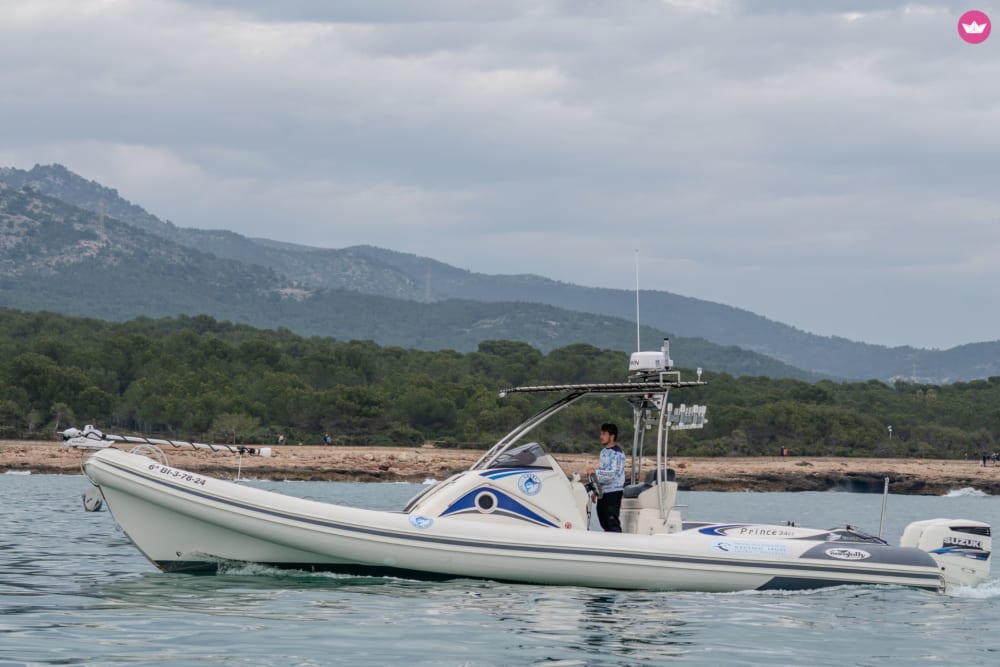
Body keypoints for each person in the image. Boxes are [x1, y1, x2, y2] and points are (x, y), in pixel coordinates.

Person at [587, 422, 626, 533]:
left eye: (604, 434)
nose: (601, 437)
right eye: (601, 434)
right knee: (603, 521)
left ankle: (618, 545)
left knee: (612, 522)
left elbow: (614, 474)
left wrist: (595, 472)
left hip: (613, 493)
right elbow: (603, 473)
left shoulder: (617, 454)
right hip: (603, 493)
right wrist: (596, 490)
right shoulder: (603, 452)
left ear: (612, 436)